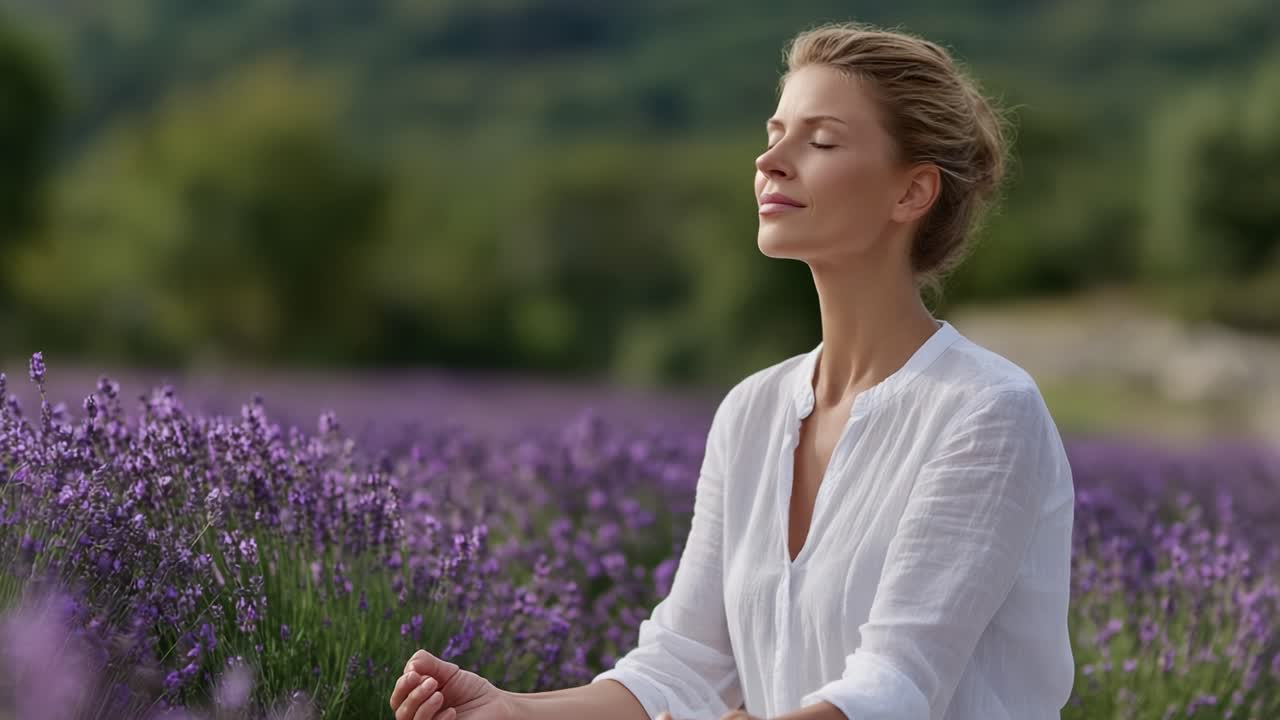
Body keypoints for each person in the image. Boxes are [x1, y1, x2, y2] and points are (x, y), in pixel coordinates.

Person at [388, 19, 1075, 720]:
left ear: (911, 193)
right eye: (774, 133)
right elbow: (682, 667)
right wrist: (513, 712)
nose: (771, 160)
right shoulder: (753, 411)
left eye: (822, 141)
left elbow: (892, 688)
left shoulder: (985, 410)